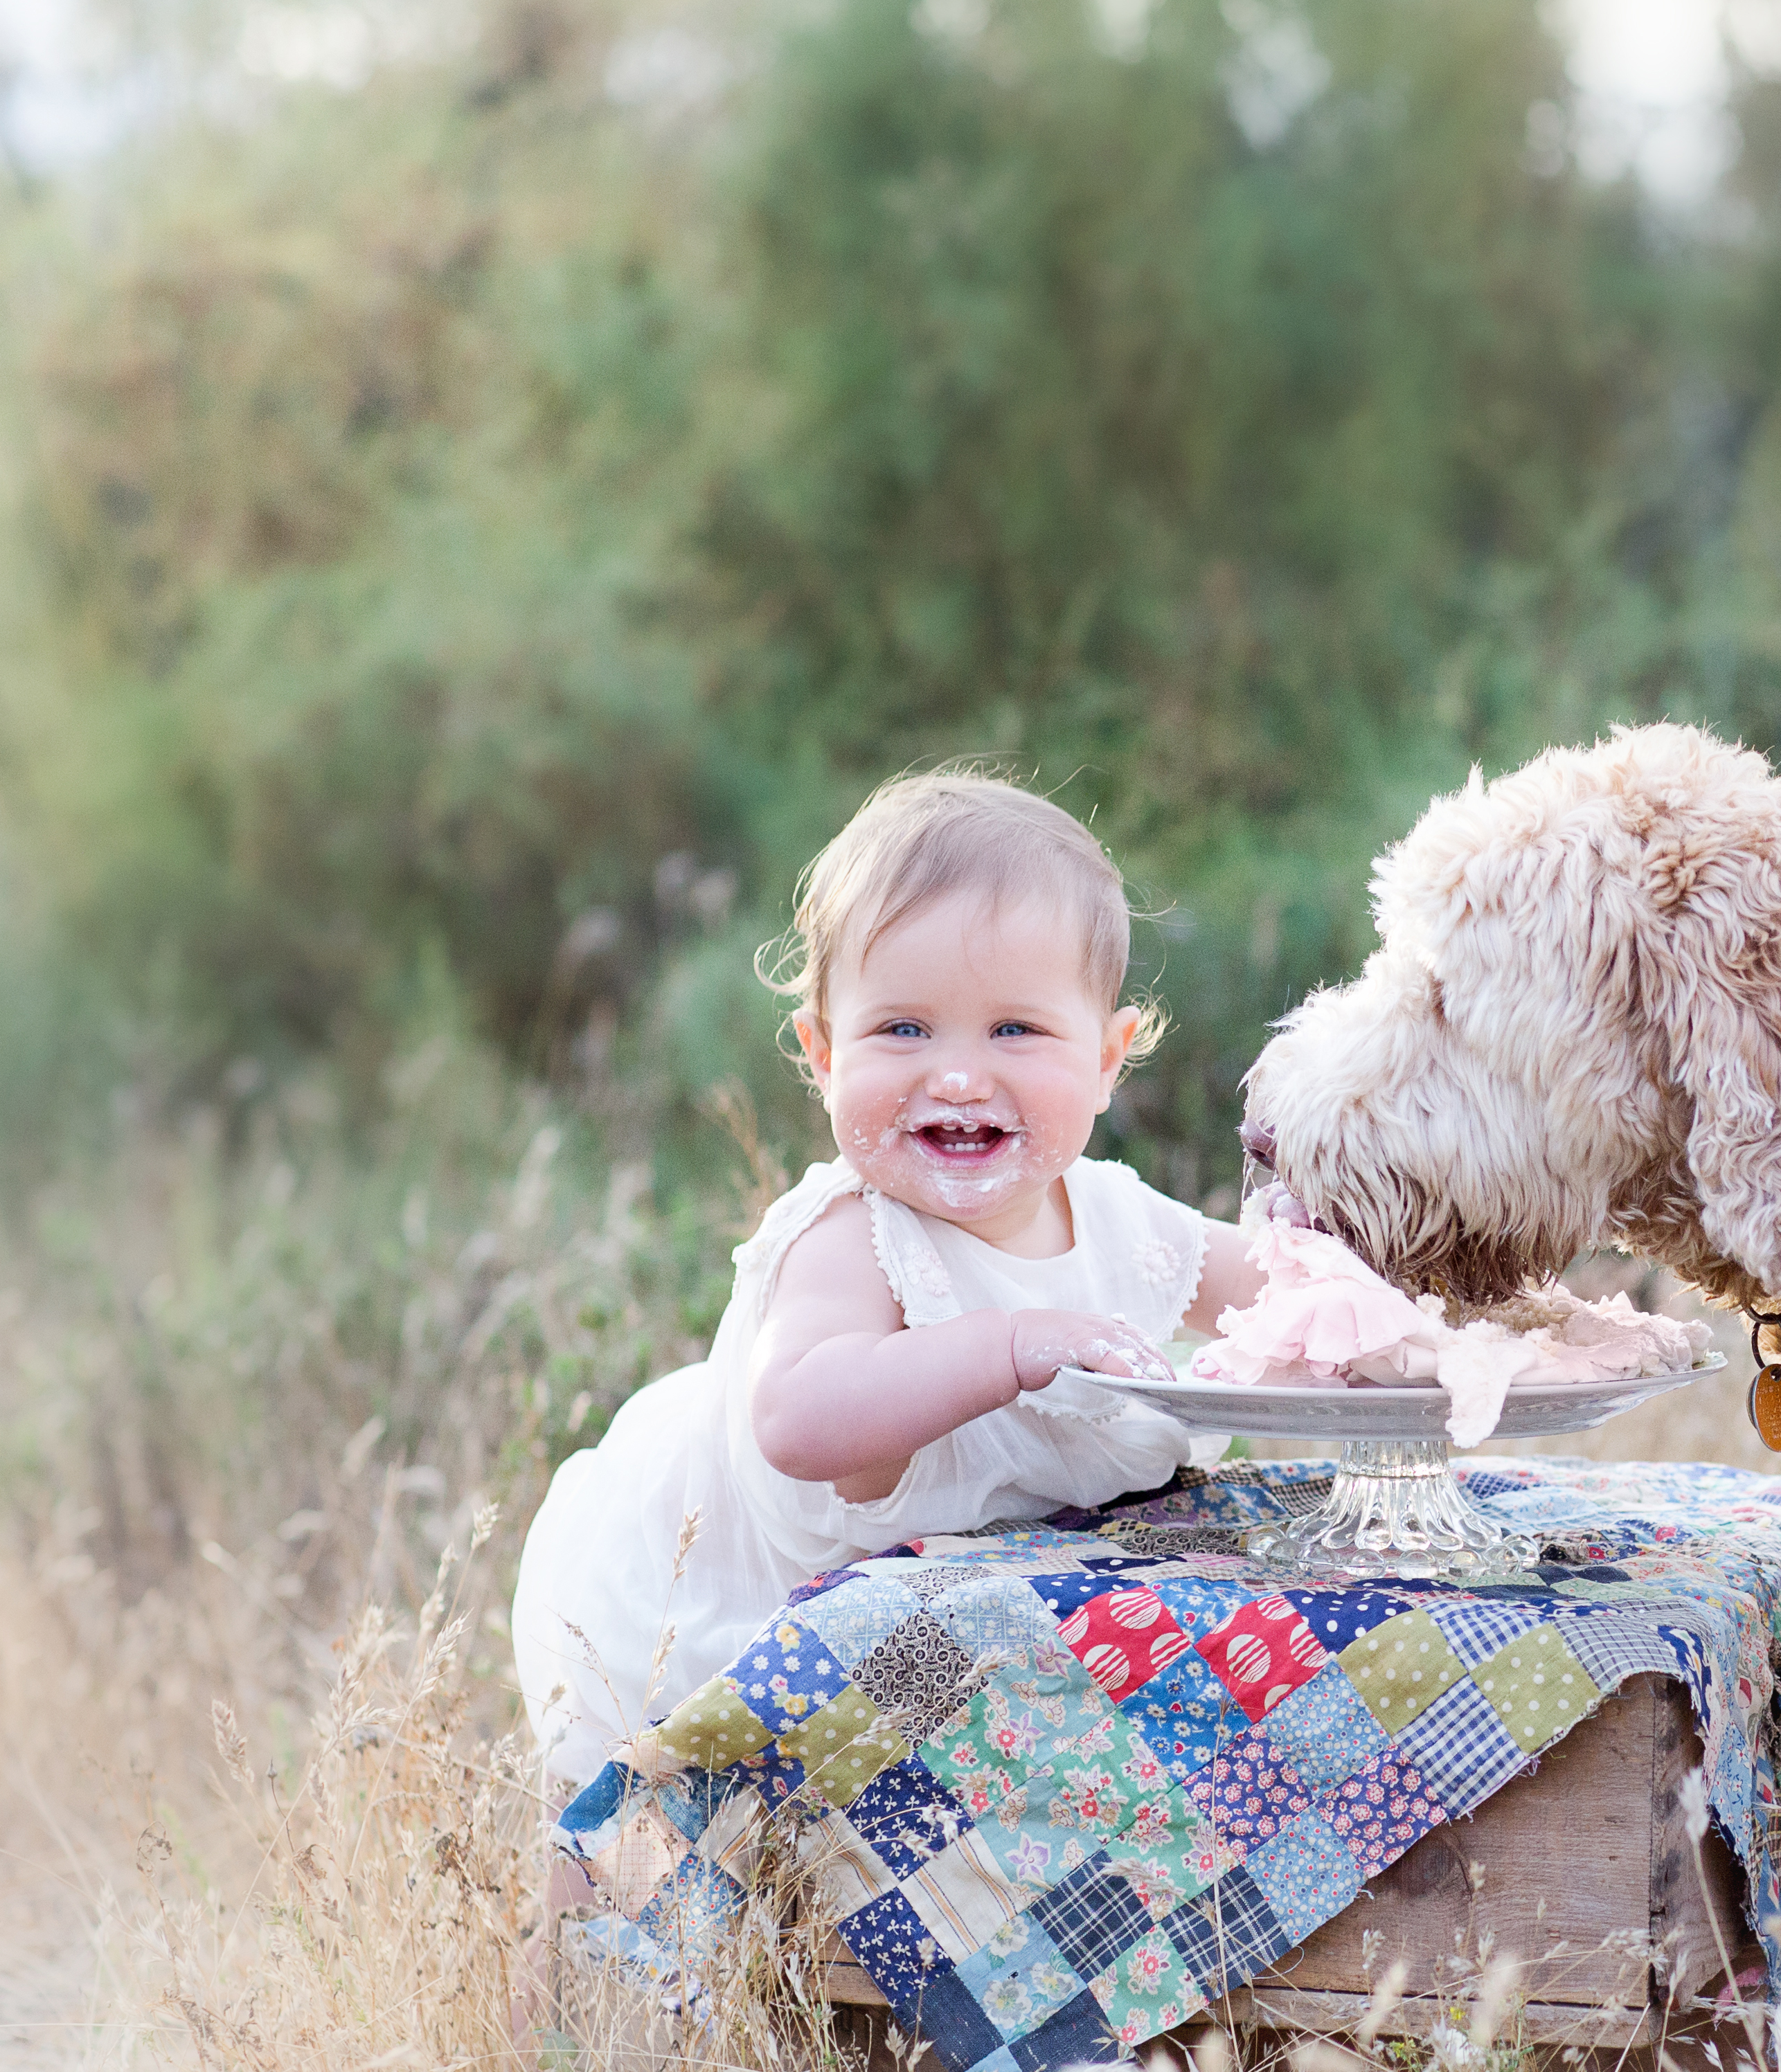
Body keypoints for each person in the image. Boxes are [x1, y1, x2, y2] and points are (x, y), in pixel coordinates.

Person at [508, 769, 1261, 1815]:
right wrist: (1009, 1346)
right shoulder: (854, 1239)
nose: (956, 1076)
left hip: (953, 1651)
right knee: (626, 1845)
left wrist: (1434, 1317)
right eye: (903, 1030)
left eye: (1015, 1032)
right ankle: (562, 1969)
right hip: (737, 1615)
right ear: (822, 1055)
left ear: (1106, 1059)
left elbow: (1281, 1294)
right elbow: (802, 1419)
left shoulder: (1124, 1222)